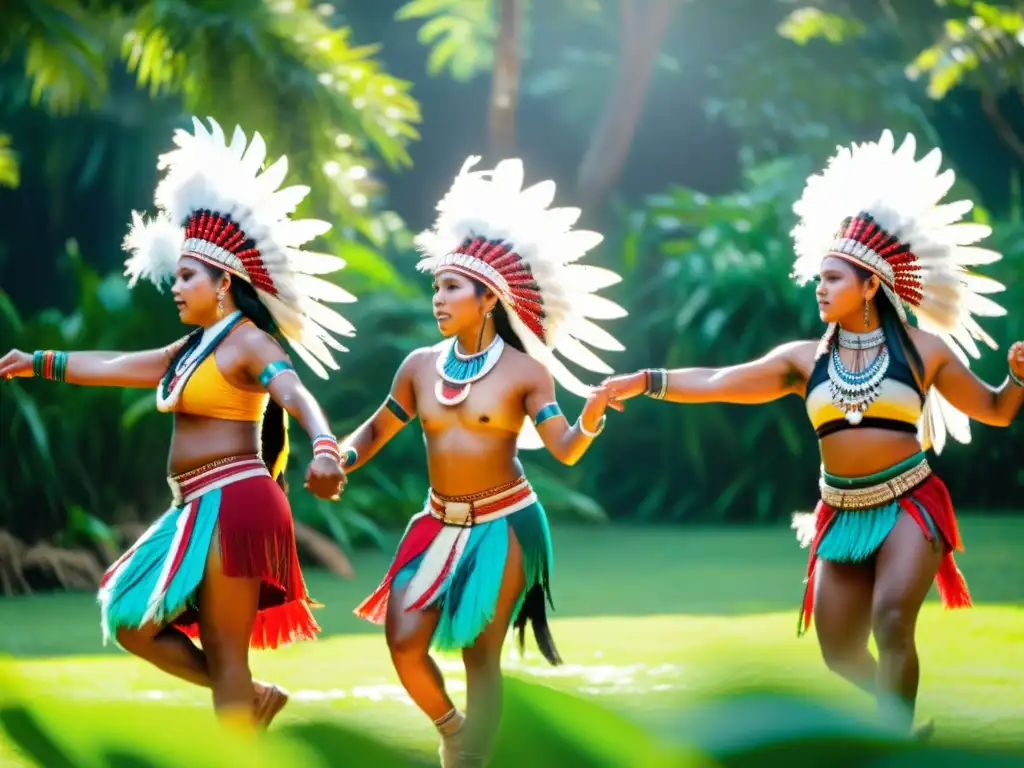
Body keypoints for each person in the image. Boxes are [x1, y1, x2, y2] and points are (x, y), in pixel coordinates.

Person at [601, 130, 1024, 736]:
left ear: (871, 284)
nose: (820, 288)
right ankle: (899, 724)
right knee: (839, 650)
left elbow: (995, 409)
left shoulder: (923, 351)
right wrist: (646, 379)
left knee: (891, 618)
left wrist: (1017, 380)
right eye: (819, 278)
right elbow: (722, 378)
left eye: (833, 278)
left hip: (910, 503)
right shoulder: (804, 359)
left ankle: (893, 743)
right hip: (841, 512)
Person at [0, 117, 354, 732]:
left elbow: (293, 391)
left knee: (223, 646)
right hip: (192, 508)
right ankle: (252, 695)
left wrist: (325, 446)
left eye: (189, 275)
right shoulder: (188, 350)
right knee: (132, 621)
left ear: (225, 285)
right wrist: (38, 362)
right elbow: (111, 365)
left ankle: (241, 726)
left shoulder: (247, 344)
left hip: (236, 502)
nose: (177, 285)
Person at [342, 157, 626, 766]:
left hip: (506, 524)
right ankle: (453, 731)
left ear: (488, 298)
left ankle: (472, 760)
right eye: (438, 286)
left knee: (479, 655)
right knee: (403, 638)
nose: (438, 297)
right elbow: (377, 428)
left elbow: (566, 448)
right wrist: (339, 457)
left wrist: (594, 412)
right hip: (437, 522)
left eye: (451, 288)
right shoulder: (419, 366)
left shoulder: (526, 372)